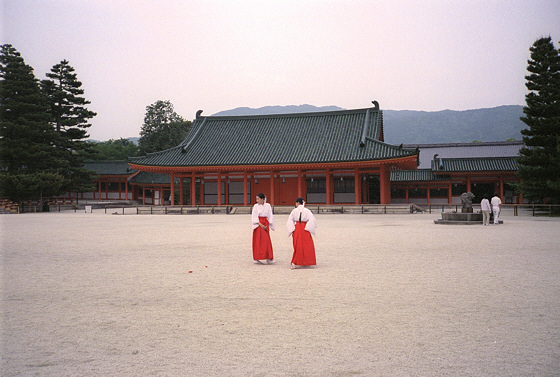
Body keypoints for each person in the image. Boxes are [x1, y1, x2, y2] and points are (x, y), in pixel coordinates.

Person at [286, 198, 317, 269]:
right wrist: (309, 228)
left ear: (297, 203)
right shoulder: (307, 211)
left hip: (297, 228)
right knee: (307, 245)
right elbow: (312, 220)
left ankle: (296, 261)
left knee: (297, 245)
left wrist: (292, 229)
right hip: (304, 228)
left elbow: (290, 220)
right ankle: (306, 261)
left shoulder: (294, 211)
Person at [251, 193, 275, 264]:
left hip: (265, 222)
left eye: (258, 199)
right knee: (257, 241)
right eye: (256, 199)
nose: (257, 200)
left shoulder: (268, 205)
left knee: (266, 241)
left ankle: (268, 258)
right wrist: (260, 224)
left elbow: (270, 215)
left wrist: (269, 224)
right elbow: (254, 216)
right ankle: (256, 258)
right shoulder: (255, 206)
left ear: (262, 199)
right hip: (258, 224)